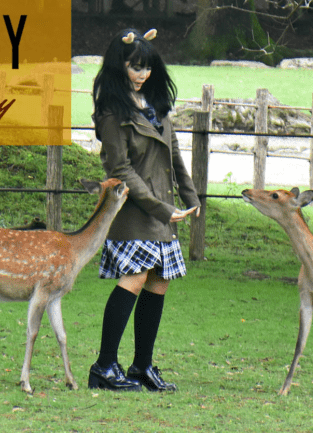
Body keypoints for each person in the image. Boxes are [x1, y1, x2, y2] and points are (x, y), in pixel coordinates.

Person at [88, 28, 200, 393]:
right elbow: (119, 170)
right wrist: (161, 208)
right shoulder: (112, 112)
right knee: (135, 277)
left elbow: (174, 152)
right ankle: (104, 366)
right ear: (118, 66)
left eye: (147, 67)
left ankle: (141, 367)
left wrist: (191, 196)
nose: (143, 74)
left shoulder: (155, 104)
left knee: (159, 280)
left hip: (161, 209)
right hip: (136, 211)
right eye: (135, 67)